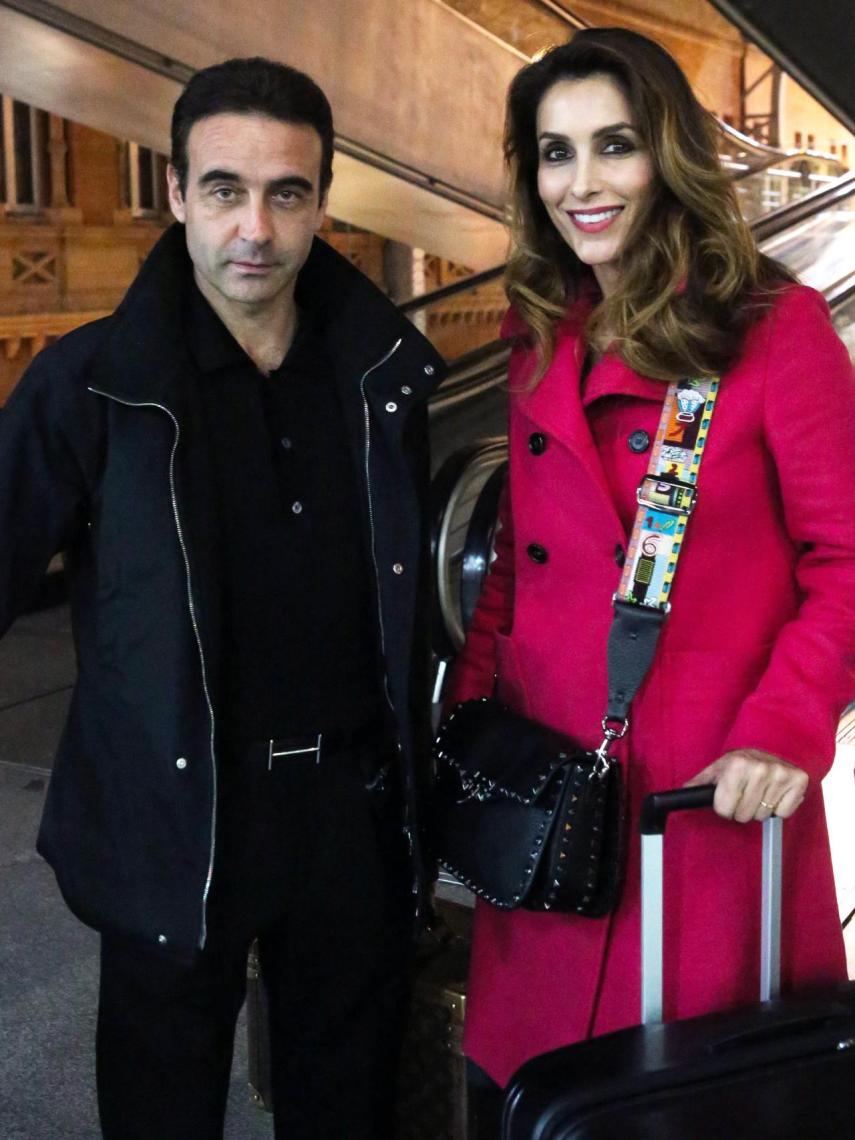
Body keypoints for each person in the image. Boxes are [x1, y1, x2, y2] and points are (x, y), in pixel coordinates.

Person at [0, 57, 444, 1139]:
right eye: (225, 190)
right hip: (171, 816)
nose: (256, 226)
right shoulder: (92, 381)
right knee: (162, 1109)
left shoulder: (382, 375)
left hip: (350, 814)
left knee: (346, 1107)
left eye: (287, 193)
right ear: (176, 192)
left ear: (322, 202)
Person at [446, 27, 855, 1091]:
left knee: (688, 1100)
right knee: (547, 1099)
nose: (583, 183)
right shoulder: (538, 334)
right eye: (555, 153)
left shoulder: (774, 330)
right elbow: (522, 566)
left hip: (706, 814)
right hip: (550, 808)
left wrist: (786, 730)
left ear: (667, 155)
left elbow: (848, 555)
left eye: (614, 146)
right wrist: (472, 715)